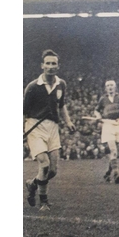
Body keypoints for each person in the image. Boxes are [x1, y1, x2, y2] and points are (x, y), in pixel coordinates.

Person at [23, 49, 76, 210]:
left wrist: (68, 121)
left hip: (53, 127)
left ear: (58, 66)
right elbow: (23, 111)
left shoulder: (61, 84)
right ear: (42, 66)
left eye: (54, 63)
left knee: (52, 171)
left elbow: (61, 105)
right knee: (44, 165)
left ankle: (32, 184)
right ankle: (43, 201)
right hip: (35, 126)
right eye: (48, 63)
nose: (51, 66)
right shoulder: (33, 87)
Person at [94, 80, 119, 184]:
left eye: (112, 85)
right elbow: (96, 110)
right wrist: (98, 116)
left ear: (115, 86)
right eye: (108, 85)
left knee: (115, 152)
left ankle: (108, 173)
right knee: (113, 150)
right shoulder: (103, 99)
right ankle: (116, 173)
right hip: (108, 125)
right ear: (105, 88)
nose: (110, 87)